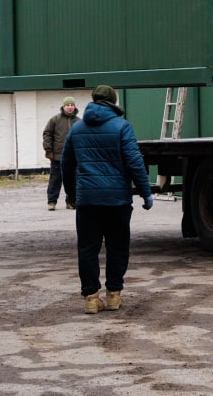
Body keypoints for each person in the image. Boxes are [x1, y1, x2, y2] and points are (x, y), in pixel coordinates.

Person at [61, 85, 154, 314]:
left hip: (88, 202)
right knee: (117, 247)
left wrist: (73, 195)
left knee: (88, 249)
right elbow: (135, 162)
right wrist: (146, 192)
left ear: (94, 100)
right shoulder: (122, 127)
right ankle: (113, 296)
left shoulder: (77, 128)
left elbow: (66, 164)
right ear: (113, 101)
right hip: (117, 202)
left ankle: (91, 298)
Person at [43, 97, 80, 210]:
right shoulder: (55, 120)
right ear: (63, 107)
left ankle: (71, 202)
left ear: (74, 107)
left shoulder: (79, 121)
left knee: (72, 181)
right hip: (58, 156)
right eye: (67, 105)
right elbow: (47, 134)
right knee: (55, 180)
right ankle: (52, 202)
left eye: (71, 105)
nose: (70, 107)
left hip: (73, 157)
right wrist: (48, 150)